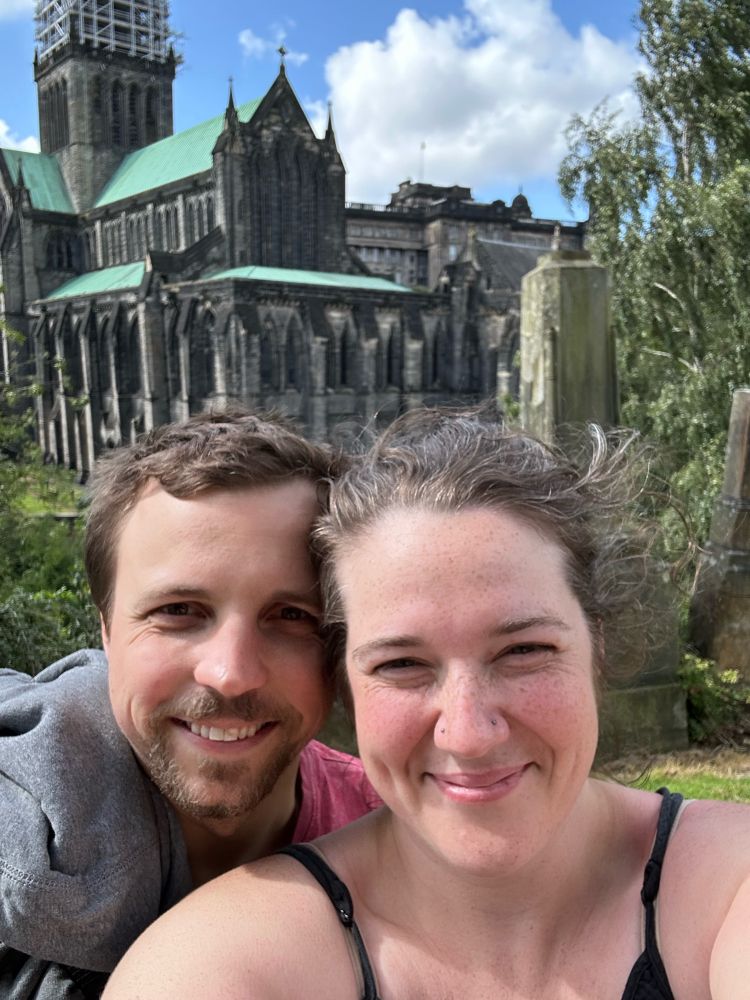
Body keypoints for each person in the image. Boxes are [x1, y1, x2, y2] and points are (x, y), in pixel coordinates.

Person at [104, 407, 750, 1000]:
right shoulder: (228, 964)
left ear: (596, 644)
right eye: (402, 665)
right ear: (346, 686)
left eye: (523, 651)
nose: (468, 733)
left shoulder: (728, 888)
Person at [0, 410, 380, 1000]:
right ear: (104, 629)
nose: (230, 675)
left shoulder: (398, 838)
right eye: (178, 611)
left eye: (292, 616)